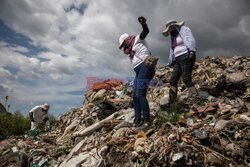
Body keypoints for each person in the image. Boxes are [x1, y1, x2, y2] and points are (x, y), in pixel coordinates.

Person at [119, 16, 155, 127]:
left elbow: (145, 31)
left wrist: (143, 23)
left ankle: (146, 120)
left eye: (123, 44)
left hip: (145, 67)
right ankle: (137, 120)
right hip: (138, 72)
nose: (123, 47)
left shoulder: (137, 39)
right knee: (134, 96)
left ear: (126, 40)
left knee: (140, 93)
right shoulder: (130, 52)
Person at [162, 19, 199, 106]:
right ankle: (172, 102)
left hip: (186, 56)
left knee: (186, 78)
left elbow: (191, 40)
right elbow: (172, 49)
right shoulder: (173, 36)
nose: (170, 30)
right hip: (177, 60)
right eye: (169, 29)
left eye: (170, 28)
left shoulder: (184, 29)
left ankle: (195, 98)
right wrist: (172, 60)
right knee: (173, 80)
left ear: (174, 26)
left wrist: (192, 51)